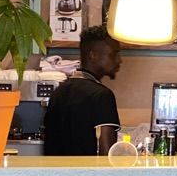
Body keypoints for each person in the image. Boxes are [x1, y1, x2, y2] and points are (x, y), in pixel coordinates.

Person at [43, 25, 123, 155]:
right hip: (88, 174)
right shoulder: (102, 95)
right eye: (113, 54)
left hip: (57, 174)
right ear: (93, 56)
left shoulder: (59, 91)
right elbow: (107, 152)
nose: (119, 60)